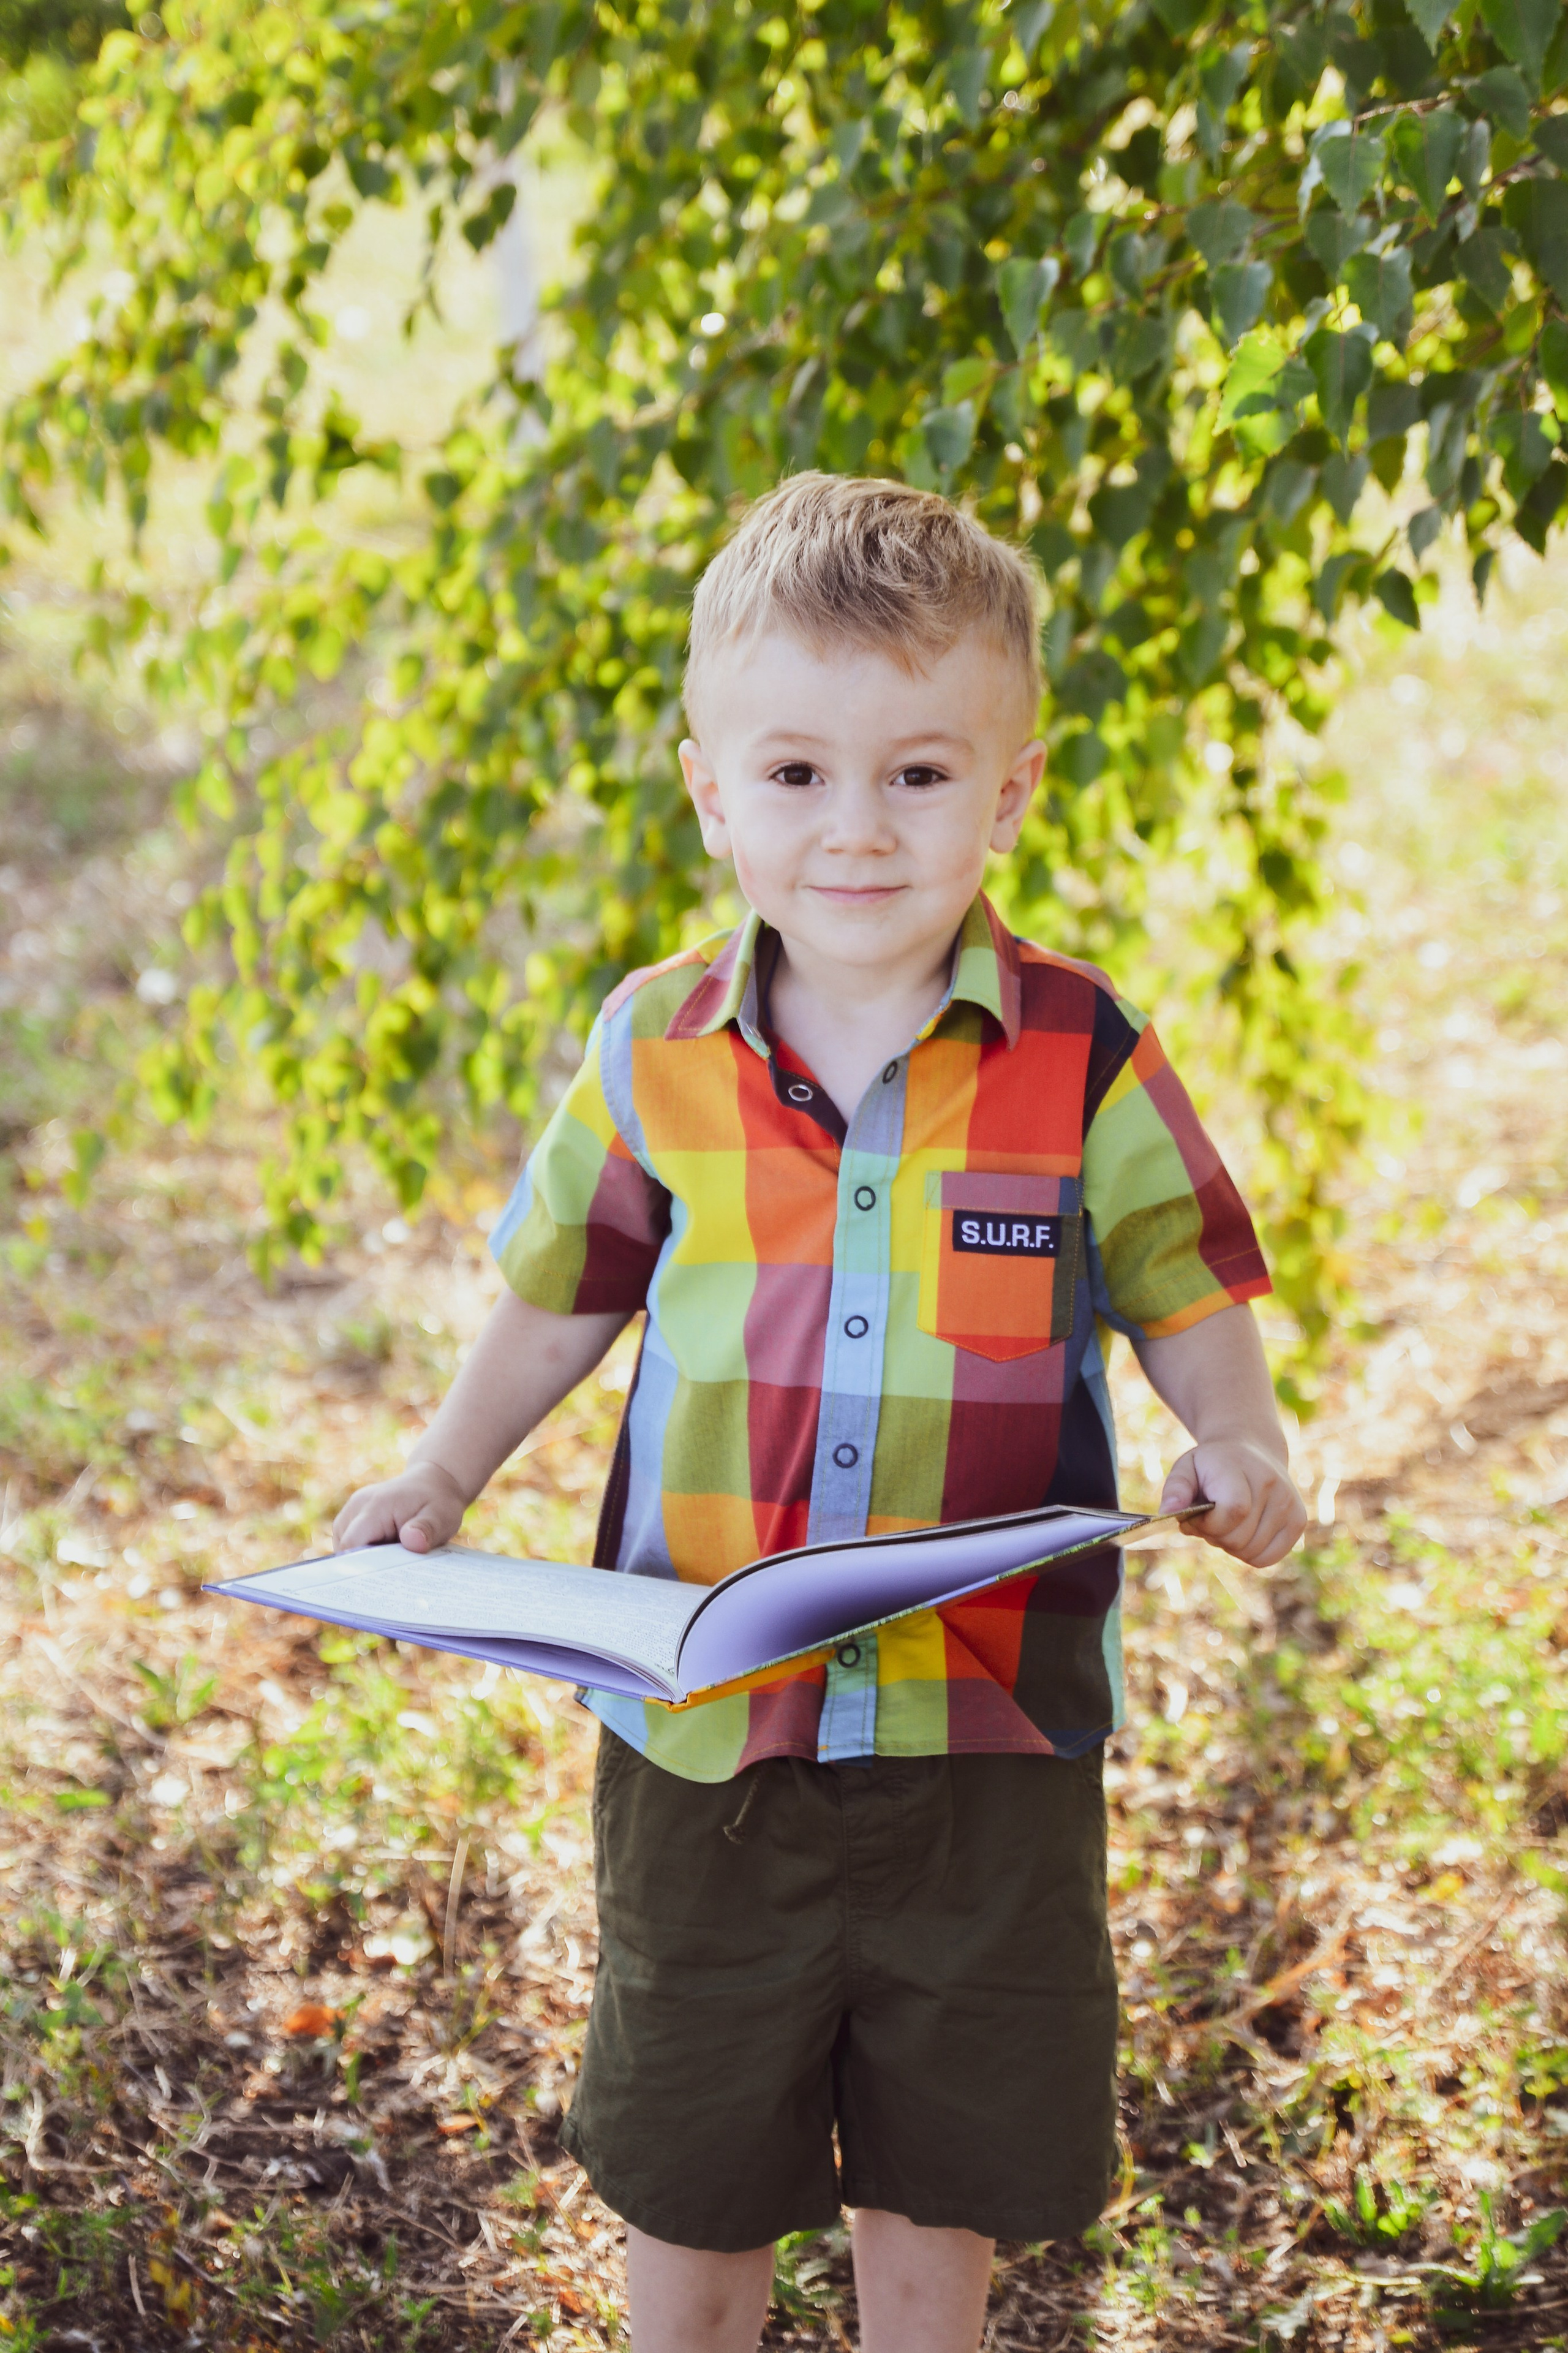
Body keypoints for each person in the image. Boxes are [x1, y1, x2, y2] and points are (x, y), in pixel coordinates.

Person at [334, 474, 1308, 2353]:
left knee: (941, 2173)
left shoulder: (1081, 1053)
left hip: (986, 1730)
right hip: (710, 1744)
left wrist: (1244, 1441)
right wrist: (440, 1469)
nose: (856, 826)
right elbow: (565, 1290)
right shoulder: (654, 1046)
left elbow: (1185, 1286)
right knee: (695, 2161)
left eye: (919, 774)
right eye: (796, 774)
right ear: (711, 790)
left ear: (1008, 792)